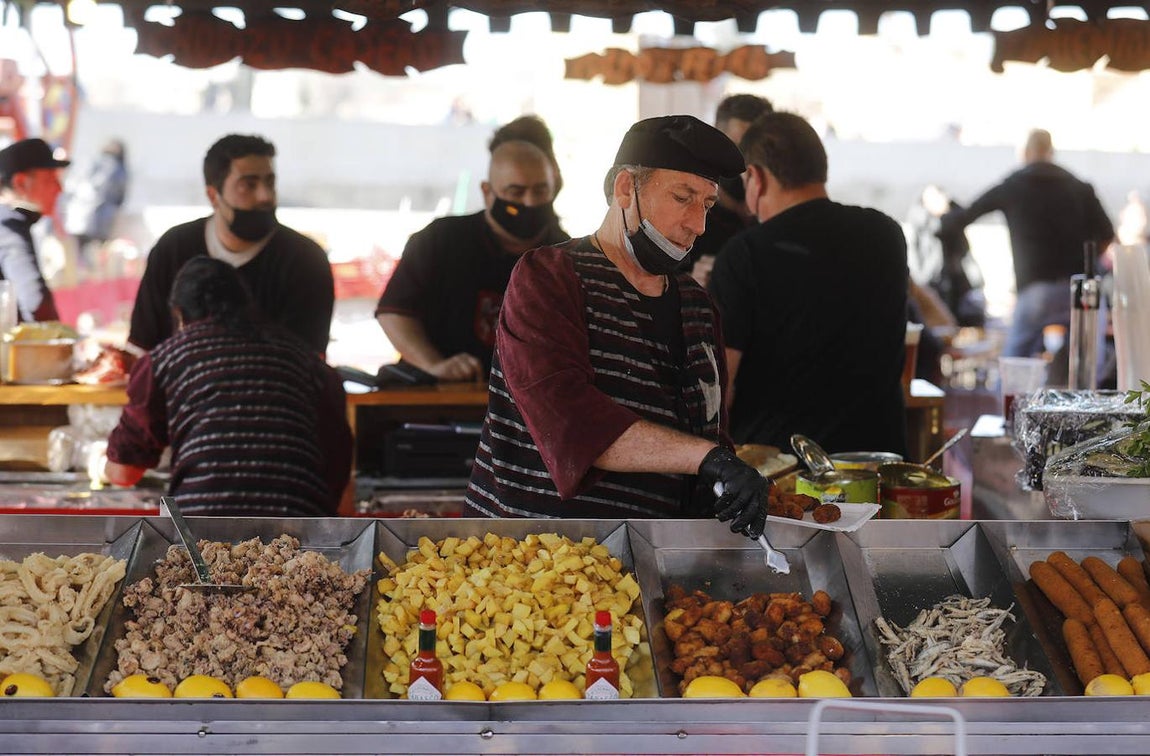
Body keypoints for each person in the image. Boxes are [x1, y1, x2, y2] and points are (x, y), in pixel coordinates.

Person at [465, 114, 770, 540]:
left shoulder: (699, 307)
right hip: (539, 562)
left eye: (707, 204)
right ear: (626, 188)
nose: (698, 225)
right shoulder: (549, 277)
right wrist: (708, 458)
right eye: (683, 197)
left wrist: (727, 485)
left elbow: (710, 431)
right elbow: (569, 419)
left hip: (652, 555)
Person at [709, 111, 909, 456]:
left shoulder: (745, 255)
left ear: (755, 177)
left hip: (780, 474)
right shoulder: (886, 234)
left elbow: (718, 387)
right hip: (876, 463)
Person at [105, 257, 351, 517]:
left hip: (199, 530)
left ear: (179, 314)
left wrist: (102, 463)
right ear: (247, 306)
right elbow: (338, 464)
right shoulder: (306, 360)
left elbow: (123, 472)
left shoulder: (164, 360)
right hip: (299, 526)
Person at [375, 133, 568, 381]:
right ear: (488, 192)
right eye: (516, 192)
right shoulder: (442, 239)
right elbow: (395, 312)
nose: (529, 202)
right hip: (439, 398)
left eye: (540, 191)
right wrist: (435, 365)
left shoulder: (563, 255)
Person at [127, 134, 334, 355]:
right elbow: (142, 348)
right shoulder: (174, 249)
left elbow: (312, 361)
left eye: (270, 182)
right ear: (213, 195)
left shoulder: (306, 261)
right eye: (249, 185)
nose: (265, 196)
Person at [940, 128, 1114, 358]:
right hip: (1080, 286)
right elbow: (1107, 234)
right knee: (1087, 363)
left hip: (1036, 289)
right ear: (1050, 151)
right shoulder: (1079, 187)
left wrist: (942, 209)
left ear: (1025, 152)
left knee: (1015, 362)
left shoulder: (1013, 186)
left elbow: (965, 215)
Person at [689, 93, 773, 287]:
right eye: (737, 148)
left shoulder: (778, 218)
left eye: (759, 151)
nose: (747, 162)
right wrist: (692, 285)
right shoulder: (689, 217)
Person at [0, 137, 66, 322]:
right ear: (20, 183)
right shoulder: (8, 226)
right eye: (50, 179)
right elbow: (35, 302)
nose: (59, 188)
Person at [62, 138, 128, 273]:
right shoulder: (117, 168)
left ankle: (80, 275)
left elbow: (72, 186)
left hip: (78, 216)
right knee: (97, 257)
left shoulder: (89, 162)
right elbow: (118, 196)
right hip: (100, 219)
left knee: (78, 254)